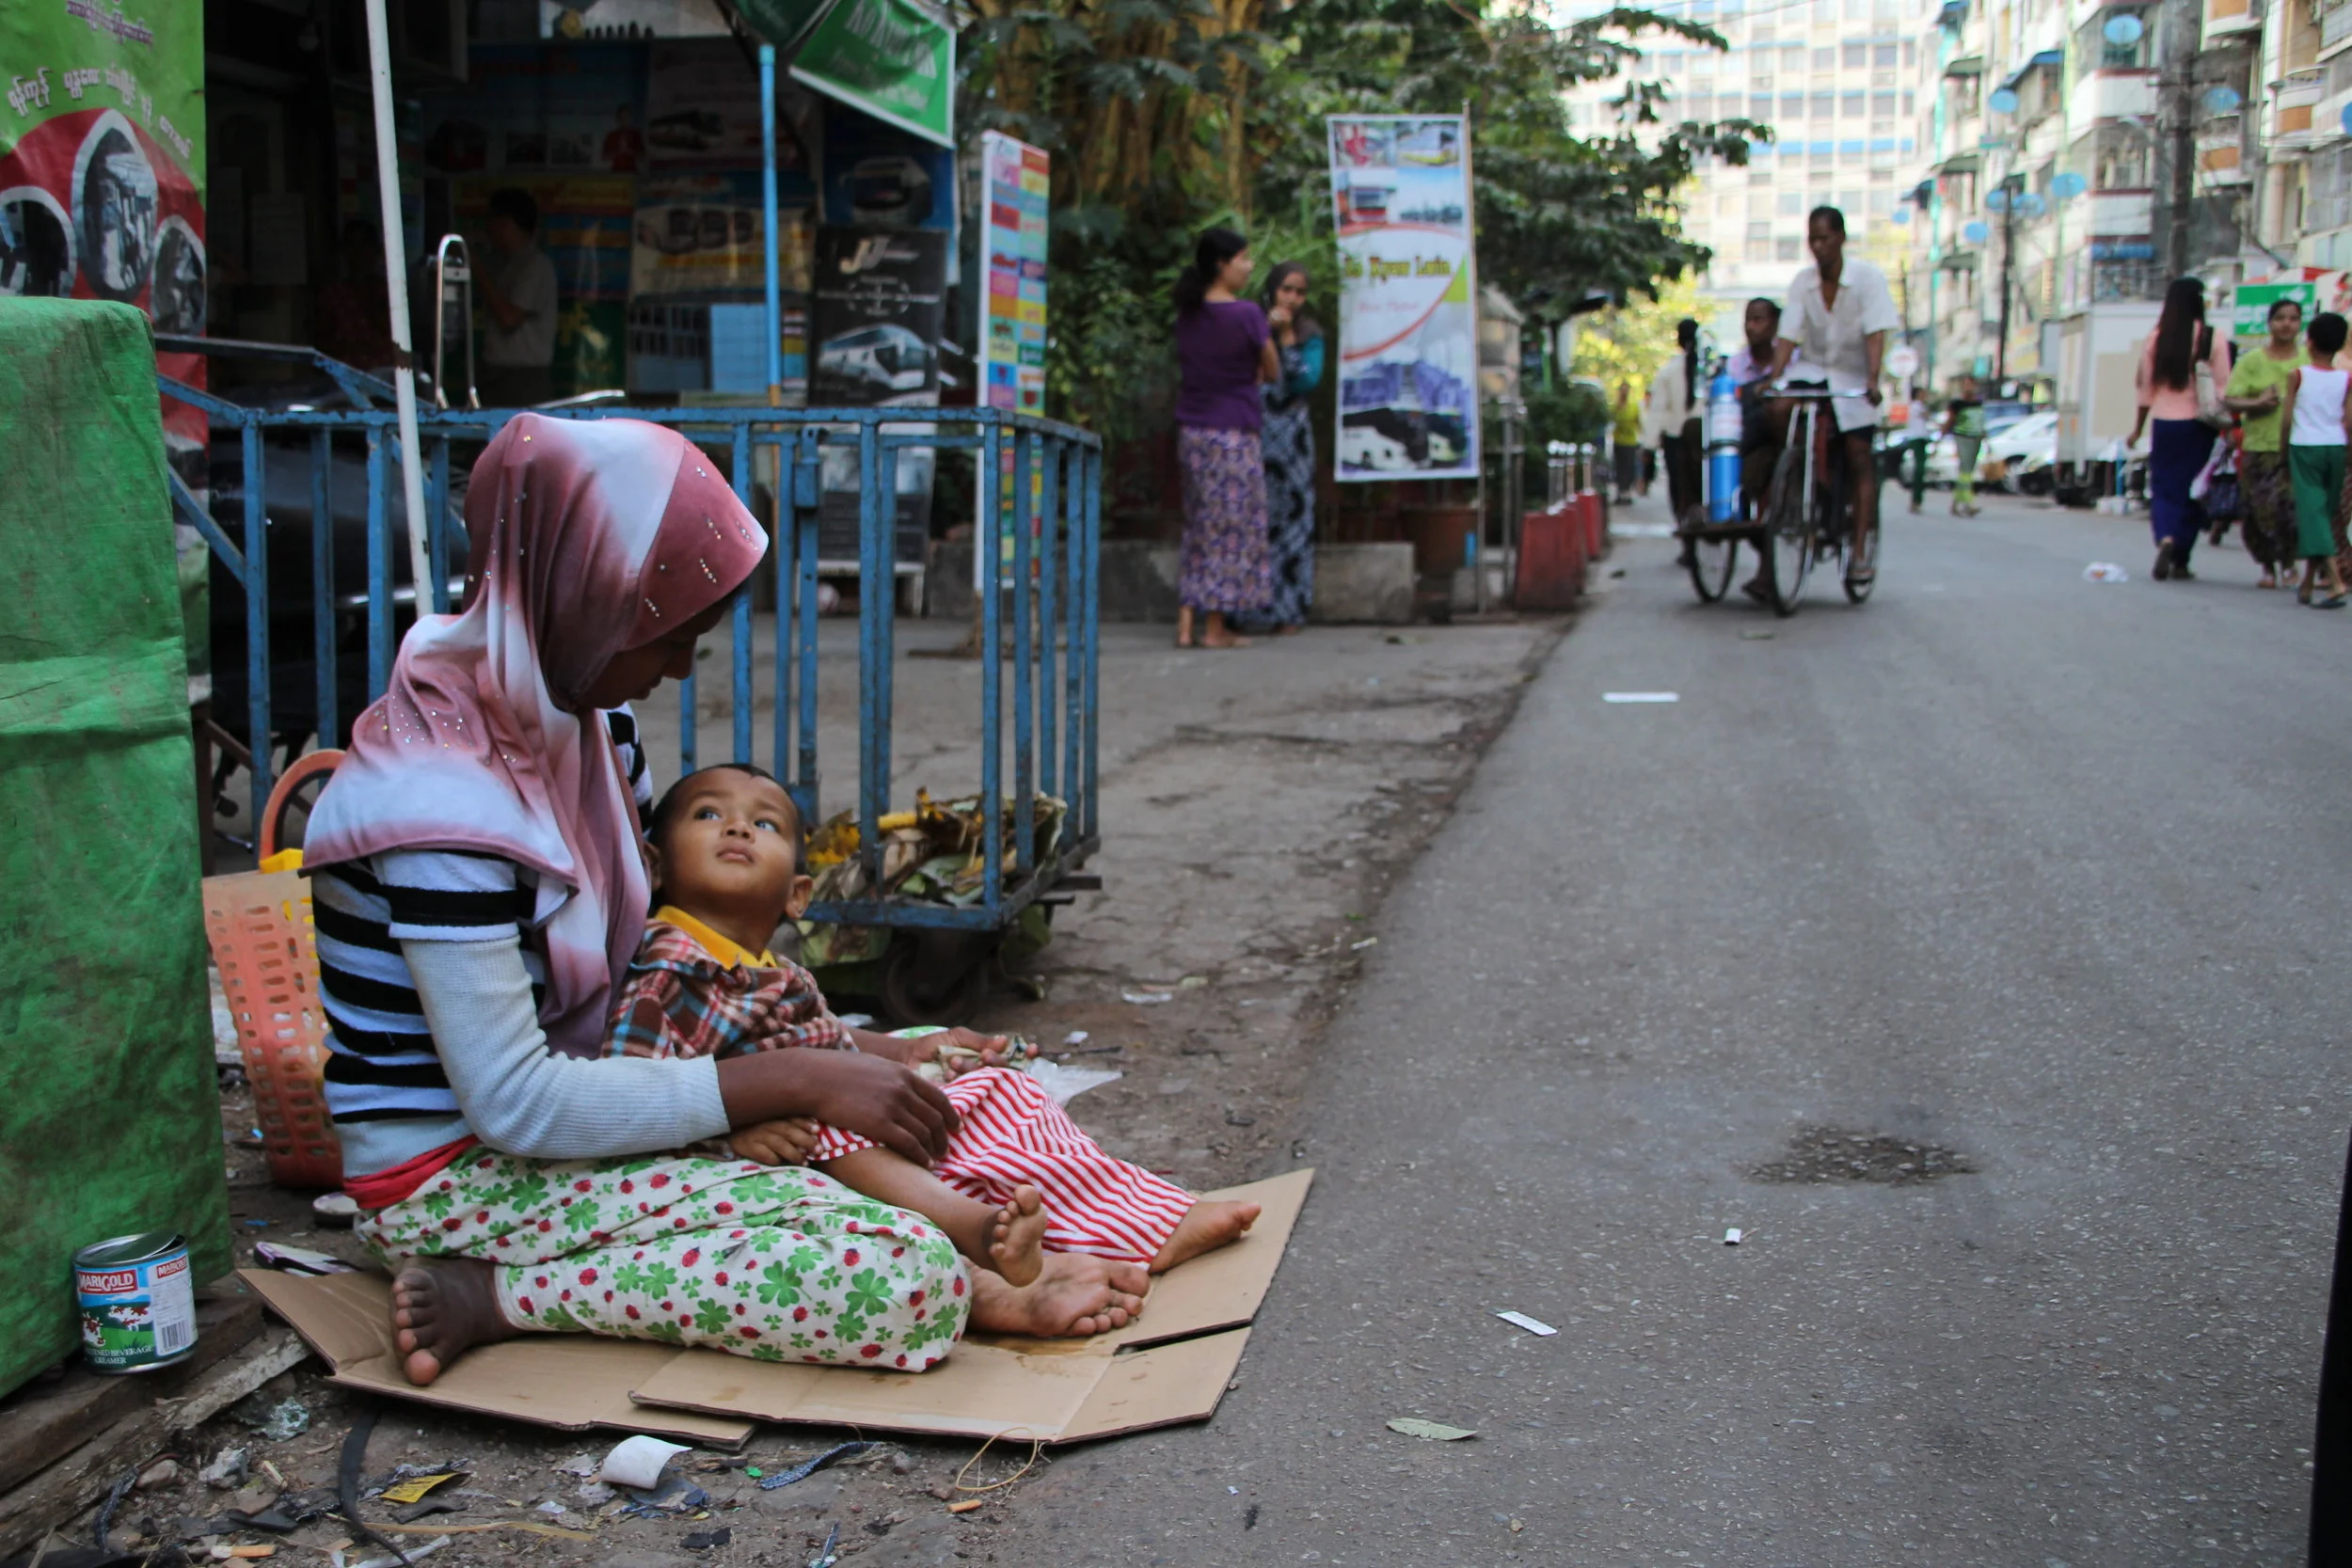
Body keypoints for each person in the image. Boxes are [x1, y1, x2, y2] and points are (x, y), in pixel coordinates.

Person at [304, 414, 1152, 1388]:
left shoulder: (588, 727)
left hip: (590, 1110)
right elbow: (515, 1104)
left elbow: (653, 983)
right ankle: (494, 1292)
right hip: (453, 1176)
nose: (676, 666)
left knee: (915, 1153)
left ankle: (973, 1277)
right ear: (582, 597)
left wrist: (856, 1057)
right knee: (897, 1267)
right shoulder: (437, 806)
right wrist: (796, 1077)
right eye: (663, 634)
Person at [610, 761, 1263, 1275]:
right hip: (787, 1145)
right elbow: (627, 1091)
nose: (737, 828)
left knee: (1001, 1094)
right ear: (656, 864)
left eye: (766, 824)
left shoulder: (773, 969)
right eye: (707, 813)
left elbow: (828, 1038)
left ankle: (1143, 1218)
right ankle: (979, 1231)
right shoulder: (672, 967)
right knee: (847, 1134)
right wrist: (731, 1142)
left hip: (833, 1107)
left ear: (799, 896)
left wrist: (914, 1053)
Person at [1766, 207, 1899, 584]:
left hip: (1853, 379)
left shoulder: (1867, 280)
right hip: (1812, 373)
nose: (1819, 247)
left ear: (1841, 238)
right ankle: (1795, 482)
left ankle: (1858, 552)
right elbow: (1789, 335)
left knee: (1859, 456)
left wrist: (1873, 379)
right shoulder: (1802, 283)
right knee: (1778, 409)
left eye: (1825, 238)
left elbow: (1876, 333)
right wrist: (1775, 379)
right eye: (1813, 239)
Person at [1171, 227, 1278, 649]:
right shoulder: (1247, 315)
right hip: (1232, 430)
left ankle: (1184, 626)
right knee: (1230, 530)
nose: (1249, 267)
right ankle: (1215, 628)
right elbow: (1271, 369)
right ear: (1222, 264)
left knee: (1198, 524)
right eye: (1244, 259)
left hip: (1192, 430)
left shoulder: (1188, 314)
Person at [2127, 277, 2233, 581]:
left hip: (2166, 425)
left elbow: (2145, 391)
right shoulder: (2214, 338)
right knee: (2195, 490)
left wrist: (2137, 430)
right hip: (2201, 426)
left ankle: (2166, 538)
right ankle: (2182, 558)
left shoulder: (2157, 339)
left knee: (2164, 489)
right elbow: (2224, 388)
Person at [1243, 261, 1324, 635]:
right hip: (1252, 434)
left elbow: (1305, 382)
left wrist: (1288, 338)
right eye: (1286, 289)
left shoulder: (1309, 334)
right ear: (1272, 290)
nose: (1292, 298)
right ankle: (1244, 614)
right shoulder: (1249, 324)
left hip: (1291, 442)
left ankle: (1289, 613)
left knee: (1293, 527)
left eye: (1299, 291)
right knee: (1251, 522)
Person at [2224, 295, 2307, 588]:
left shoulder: (2307, 359)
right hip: (2259, 447)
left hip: (2298, 447)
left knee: (2290, 508)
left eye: (2293, 318)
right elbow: (2229, 399)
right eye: (2281, 318)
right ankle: (2267, 567)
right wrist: (2258, 402)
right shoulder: (2252, 361)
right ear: (2269, 323)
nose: (2287, 324)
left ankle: (2288, 564)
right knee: (2257, 510)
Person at [2279, 310, 2351, 609]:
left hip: (2305, 446)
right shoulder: (2346, 378)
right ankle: (2307, 583)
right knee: (2324, 513)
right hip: (2335, 447)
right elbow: (2348, 421)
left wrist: (2283, 454)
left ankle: (2335, 582)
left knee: (2313, 514)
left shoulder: (2298, 375)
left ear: (2308, 342)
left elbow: (2286, 420)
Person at [477, 187, 560, 408]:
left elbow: (509, 319)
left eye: (494, 222)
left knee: (524, 441)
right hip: (495, 372)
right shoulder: (501, 263)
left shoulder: (536, 266)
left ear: (507, 224)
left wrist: (478, 272)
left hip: (523, 379)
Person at [1645, 318, 1704, 543]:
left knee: (1680, 490)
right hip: (1702, 439)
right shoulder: (1708, 368)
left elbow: (1658, 410)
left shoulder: (1668, 371)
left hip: (1676, 440)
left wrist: (1648, 446)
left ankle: (1687, 536)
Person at [314, 220, 396, 374]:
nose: (359, 253)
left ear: (376, 250)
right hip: (345, 380)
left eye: (364, 245)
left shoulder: (390, 291)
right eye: (352, 245)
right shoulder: (333, 294)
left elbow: (393, 332)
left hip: (386, 379)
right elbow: (323, 342)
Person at [1946, 375, 1986, 517]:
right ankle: (1968, 504)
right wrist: (1941, 435)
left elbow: (1980, 420)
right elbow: (1950, 420)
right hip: (1963, 437)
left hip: (1976, 437)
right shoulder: (1957, 403)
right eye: (1966, 384)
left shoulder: (1978, 402)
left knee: (1967, 471)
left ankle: (1956, 504)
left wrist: (1984, 435)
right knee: (1966, 470)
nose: (1969, 387)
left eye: (1972, 384)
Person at [1611, 383, 1642, 504]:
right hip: (1619, 441)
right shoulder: (1616, 406)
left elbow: (1638, 422)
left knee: (1629, 467)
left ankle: (1627, 492)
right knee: (1619, 467)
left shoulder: (1633, 406)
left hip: (1630, 442)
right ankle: (1620, 491)